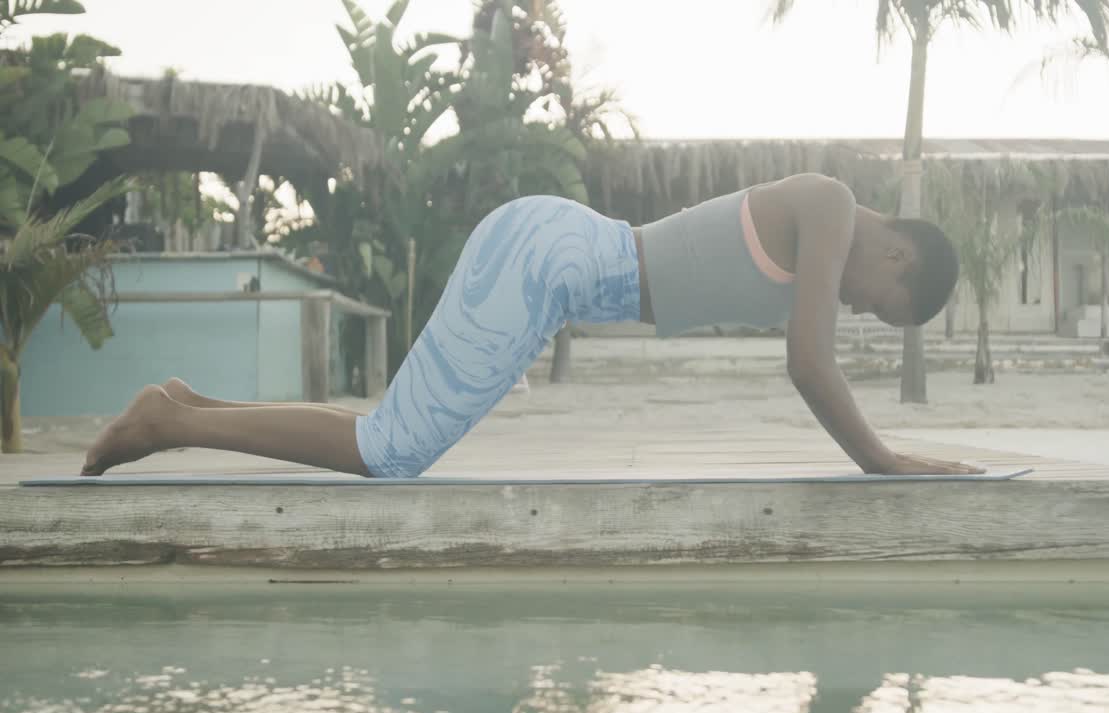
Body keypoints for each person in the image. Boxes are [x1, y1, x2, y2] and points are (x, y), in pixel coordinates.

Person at [81, 173, 978, 477]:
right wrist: (883, 459)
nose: (859, 309)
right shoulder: (832, 206)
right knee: (390, 453)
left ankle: (187, 405)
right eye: (878, 303)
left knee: (390, 439)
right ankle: (170, 424)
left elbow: (806, 344)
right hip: (550, 261)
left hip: (552, 260)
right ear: (900, 256)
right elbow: (810, 362)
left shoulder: (829, 228)